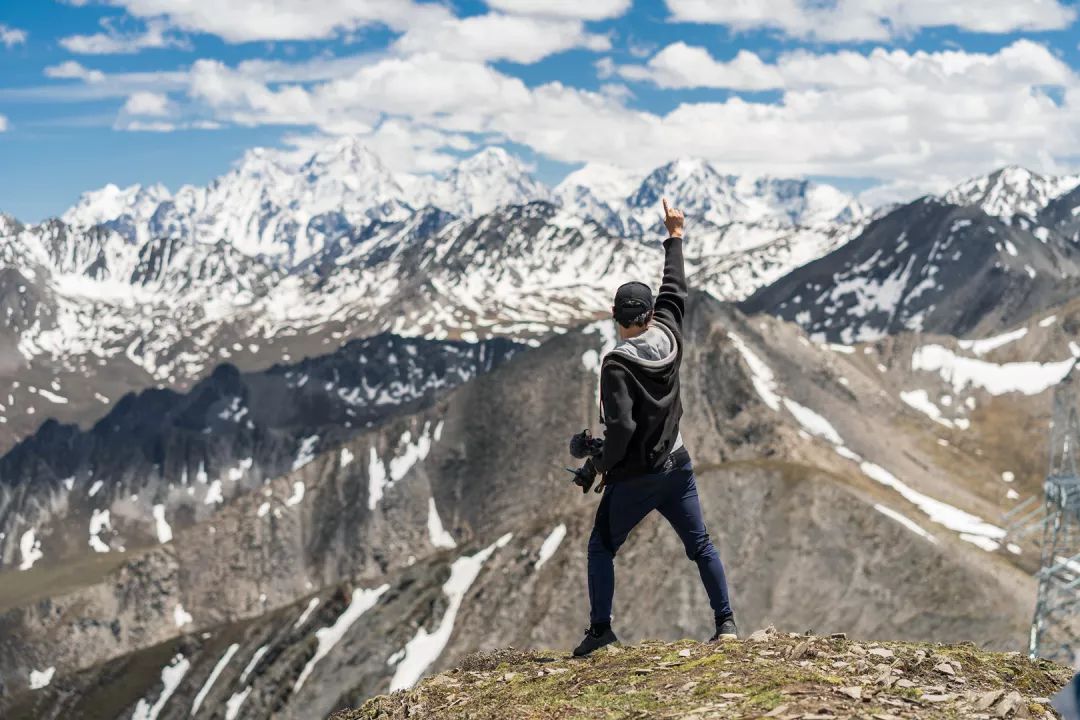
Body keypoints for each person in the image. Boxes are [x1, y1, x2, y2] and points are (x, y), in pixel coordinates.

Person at [569, 198, 736, 657]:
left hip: (637, 476)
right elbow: (675, 288)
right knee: (700, 544)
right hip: (678, 465)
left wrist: (598, 462)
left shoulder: (617, 364)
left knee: (601, 547)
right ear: (647, 313)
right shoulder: (669, 333)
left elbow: (620, 429)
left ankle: (601, 631)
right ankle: (726, 623)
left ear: (618, 318)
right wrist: (675, 236)